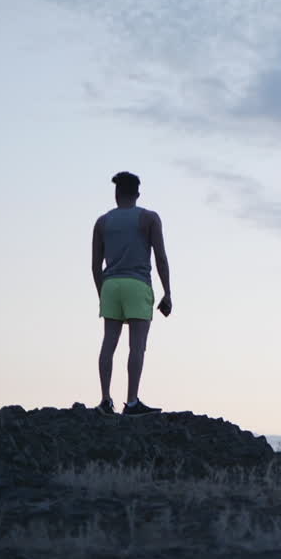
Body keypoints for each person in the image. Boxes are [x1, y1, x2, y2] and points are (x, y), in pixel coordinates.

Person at [91, 171, 173, 416]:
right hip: (137, 284)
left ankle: (105, 399)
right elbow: (160, 257)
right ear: (137, 193)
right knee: (136, 346)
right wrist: (167, 292)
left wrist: (102, 292)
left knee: (109, 343)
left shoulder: (102, 222)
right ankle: (132, 401)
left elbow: (95, 265)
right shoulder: (149, 218)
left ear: (116, 194)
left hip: (110, 284)